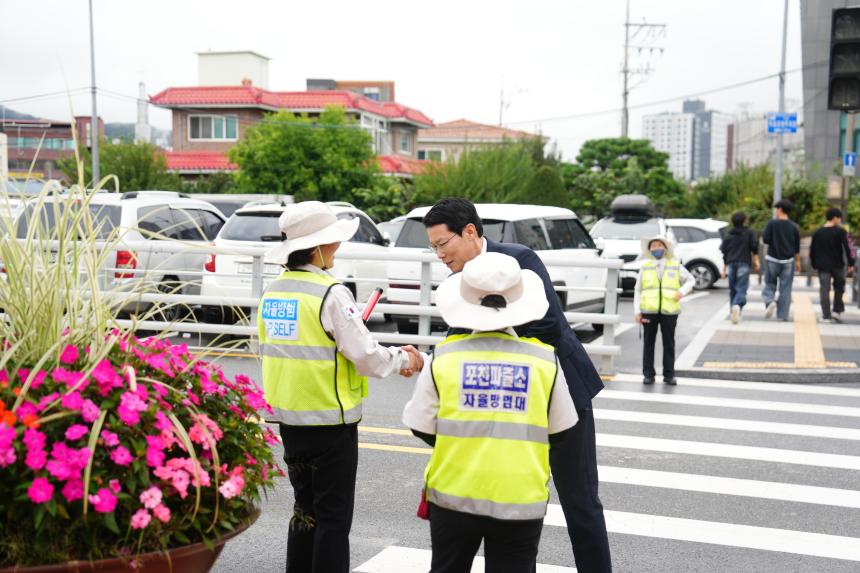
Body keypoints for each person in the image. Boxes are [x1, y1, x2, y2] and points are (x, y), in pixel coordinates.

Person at [421, 198, 611, 573]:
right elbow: (457, 336)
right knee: (510, 503)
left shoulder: (520, 259)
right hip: (508, 401)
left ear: (471, 232)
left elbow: (547, 325)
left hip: (562, 391)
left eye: (443, 244)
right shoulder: (456, 279)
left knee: (580, 500)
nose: (440, 255)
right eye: (433, 248)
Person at [258, 201, 423, 573]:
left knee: (304, 511)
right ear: (317, 248)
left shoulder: (273, 292)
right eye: (332, 242)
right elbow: (367, 356)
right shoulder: (330, 293)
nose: (336, 248)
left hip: (289, 420)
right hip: (330, 423)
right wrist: (405, 359)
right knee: (332, 518)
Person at [403, 252, 579, 573]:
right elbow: (562, 430)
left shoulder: (443, 358)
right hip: (520, 499)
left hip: (454, 495)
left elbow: (420, 425)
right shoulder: (544, 362)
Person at [634, 235, 694, 385]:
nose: (656, 248)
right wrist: (637, 311)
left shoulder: (675, 265)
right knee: (648, 343)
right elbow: (638, 290)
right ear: (649, 250)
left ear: (665, 248)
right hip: (649, 310)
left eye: (659, 245)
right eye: (653, 246)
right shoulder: (645, 266)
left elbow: (691, 280)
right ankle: (648, 374)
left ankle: (669, 375)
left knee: (669, 343)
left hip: (669, 310)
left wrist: (682, 291)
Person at [810, 208, 855, 322]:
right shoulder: (841, 231)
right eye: (839, 218)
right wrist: (851, 262)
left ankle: (826, 316)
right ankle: (836, 311)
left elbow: (812, 250)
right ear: (835, 218)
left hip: (823, 266)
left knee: (824, 290)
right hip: (838, 265)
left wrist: (814, 264)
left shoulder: (818, 232)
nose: (840, 220)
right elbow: (849, 247)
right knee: (839, 287)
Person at [762, 199, 801, 321]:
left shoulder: (771, 224)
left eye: (776, 209)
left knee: (769, 284)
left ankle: (769, 302)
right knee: (785, 288)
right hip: (788, 261)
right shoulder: (794, 227)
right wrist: (798, 262)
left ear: (780, 209)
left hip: (772, 259)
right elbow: (797, 247)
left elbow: (766, 240)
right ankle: (782, 315)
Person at [720, 211, 759, 324]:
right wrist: (756, 262)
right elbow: (754, 247)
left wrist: (724, 269)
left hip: (731, 264)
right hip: (744, 262)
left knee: (733, 289)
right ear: (744, 220)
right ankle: (737, 306)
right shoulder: (749, 232)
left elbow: (724, 253)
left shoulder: (728, 235)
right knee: (741, 288)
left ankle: (734, 312)